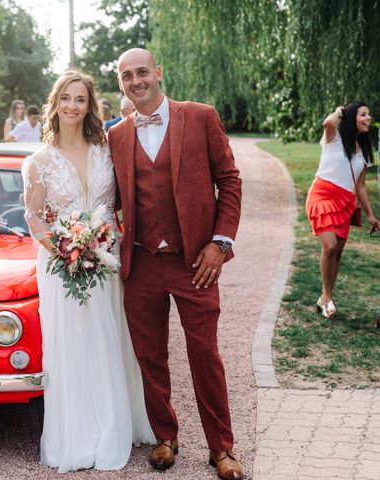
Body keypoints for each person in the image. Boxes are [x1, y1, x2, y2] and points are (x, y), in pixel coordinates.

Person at [108, 48, 243, 479]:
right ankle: (165, 436)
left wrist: (219, 245)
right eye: (127, 76)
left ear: (158, 73)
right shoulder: (118, 135)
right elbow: (109, 201)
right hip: (142, 262)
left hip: (195, 262)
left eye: (142, 72)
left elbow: (230, 180)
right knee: (150, 358)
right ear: (121, 84)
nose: (136, 81)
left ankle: (221, 448)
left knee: (205, 354)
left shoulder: (200, 116)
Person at [22, 70, 154, 473]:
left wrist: (101, 245)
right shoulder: (39, 161)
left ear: (90, 106)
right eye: (66, 98)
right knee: (72, 346)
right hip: (61, 265)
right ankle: (78, 434)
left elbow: (117, 208)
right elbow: (34, 218)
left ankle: (117, 423)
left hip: (105, 261)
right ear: (54, 103)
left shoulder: (106, 150)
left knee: (109, 336)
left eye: (80, 99)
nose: (73, 106)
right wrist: (65, 251)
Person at [305, 103, 379, 318]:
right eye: (363, 114)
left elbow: (361, 185)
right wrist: (340, 110)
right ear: (350, 117)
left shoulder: (365, 150)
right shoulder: (333, 137)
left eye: (369, 114)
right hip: (321, 194)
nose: (369, 118)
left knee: (337, 252)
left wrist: (370, 214)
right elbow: (327, 122)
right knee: (329, 246)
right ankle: (326, 297)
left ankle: (325, 297)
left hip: (345, 201)